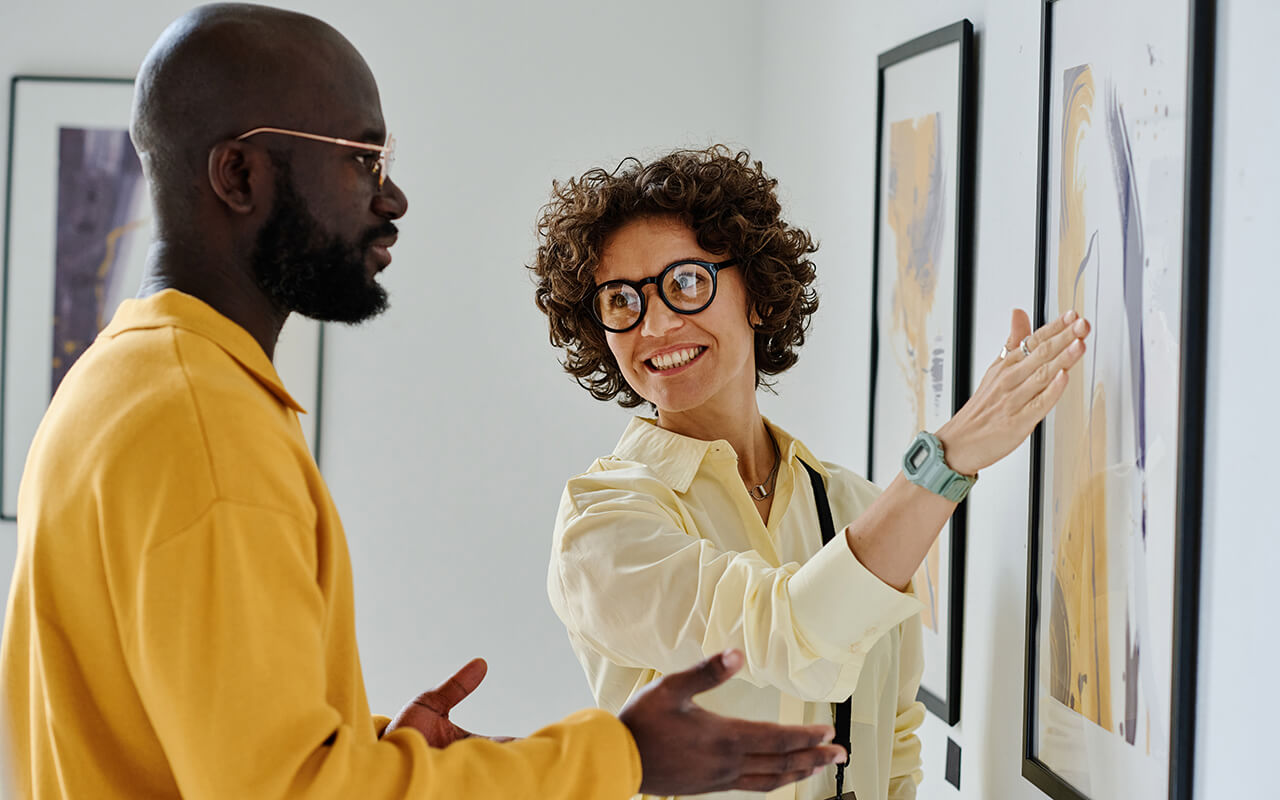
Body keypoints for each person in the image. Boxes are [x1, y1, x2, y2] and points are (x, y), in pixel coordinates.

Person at [0, 8, 851, 799]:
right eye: (360, 157)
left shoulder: (119, 382)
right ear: (239, 174)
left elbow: (212, 744)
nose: (391, 196)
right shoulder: (204, 427)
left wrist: (373, 750)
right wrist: (621, 757)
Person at [531, 146, 1091, 800]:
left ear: (759, 297)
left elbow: (895, 742)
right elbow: (793, 635)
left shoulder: (856, 505)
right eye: (621, 299)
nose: (654, 323)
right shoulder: (602, 528)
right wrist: (943, 463)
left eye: (686, 282)